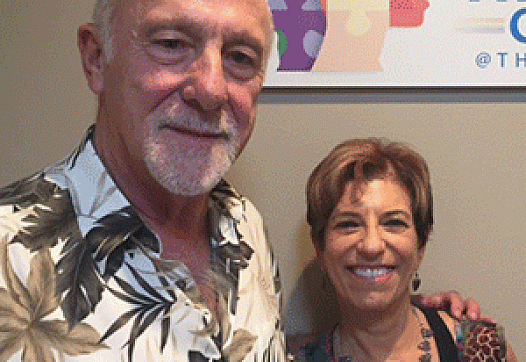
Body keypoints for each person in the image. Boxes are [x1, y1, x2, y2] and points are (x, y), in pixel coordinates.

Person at [0, 0, 481, 361]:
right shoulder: (10, 257)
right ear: (95, 57)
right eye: (171, 44)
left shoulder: (245, 230)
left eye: (240, 57)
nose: (211, 89)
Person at [296, 138, 517, 361]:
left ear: (421, 244)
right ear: (320, 248)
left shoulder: (482, 348)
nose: (372, 246)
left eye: (394, 223)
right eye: (348, 224)